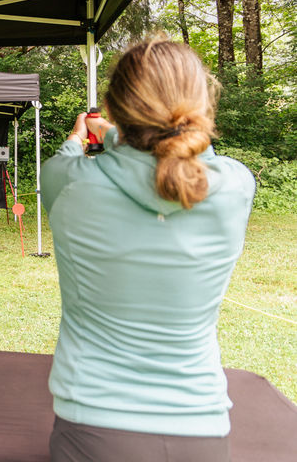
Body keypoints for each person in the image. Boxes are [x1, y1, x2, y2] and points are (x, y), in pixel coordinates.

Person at [41, 39, 255, 462]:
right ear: (201, 106)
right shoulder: (236, 186)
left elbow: (70, 159)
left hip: (93, 427)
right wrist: (114, 132)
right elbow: (183, 158)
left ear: (114, 106)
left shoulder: (67, 182)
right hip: (203, 431)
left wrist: (86, 134)